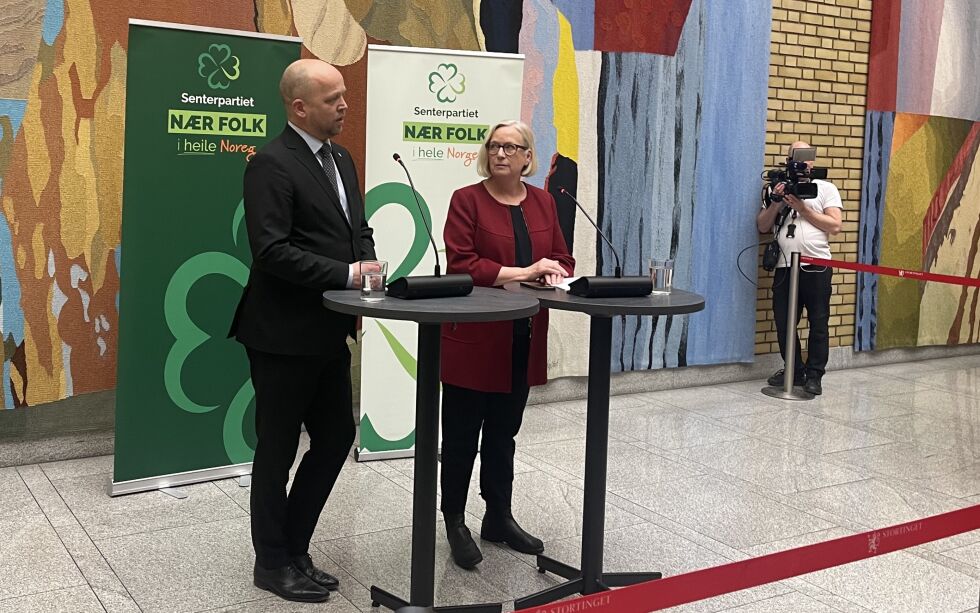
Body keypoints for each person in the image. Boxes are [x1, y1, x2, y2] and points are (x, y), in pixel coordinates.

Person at [228, 59, 378, 603]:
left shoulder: (342, 157)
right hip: (281, 334)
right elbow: (270, 251)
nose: (344, 105)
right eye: (333, 98)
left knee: (337, 436)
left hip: (329, 329)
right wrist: (344, 274)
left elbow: (355, 227)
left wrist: (368, 266)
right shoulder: (270, 164)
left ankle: (294, 544)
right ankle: (271, 563)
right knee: (278, 448)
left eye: (343, 95)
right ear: (299, 107)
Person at [439, 120, 575, 569]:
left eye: (510, 147)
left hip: (523, 337)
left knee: (503, 434)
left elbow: (562, 255)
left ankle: (498, 516)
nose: (500, 154)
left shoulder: (543, 202)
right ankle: (455, 521)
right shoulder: (466, 200)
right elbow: (463, 264)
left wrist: (553, 270)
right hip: (475, 338)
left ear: (527, 158)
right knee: (461, 437)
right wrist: (524, 272)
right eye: (494, 146)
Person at [757, 140, 842, 396]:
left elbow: (835, 226)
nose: (802, 162)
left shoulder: (825, 188)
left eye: (806, 157)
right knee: (784, 321)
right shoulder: (776, 189)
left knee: (818, 321)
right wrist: (777, 203)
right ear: (788, 159)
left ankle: (815, 375)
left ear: (812, 161)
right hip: (785, 266)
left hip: (816, 265)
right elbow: (762, 226)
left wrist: (803, 208)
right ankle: (794, 370)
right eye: (796, 156)